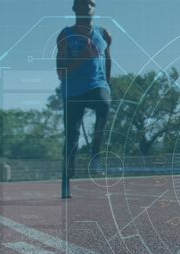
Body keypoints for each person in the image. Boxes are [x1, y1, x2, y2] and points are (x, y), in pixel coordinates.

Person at [56, 0, 112, 198]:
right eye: (83, 3)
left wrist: (108, 84)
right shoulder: (65, 35)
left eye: (91, 3)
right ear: (74, 9)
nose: (88, 6)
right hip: (73, 91)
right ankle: (66, 181)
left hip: (97, 86)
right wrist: (82, 57)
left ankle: (95, 155)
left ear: (94, 9)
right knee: (71, 139)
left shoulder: (103, 34)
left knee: (105, 104)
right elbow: (60, 72)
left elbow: (108, 60)